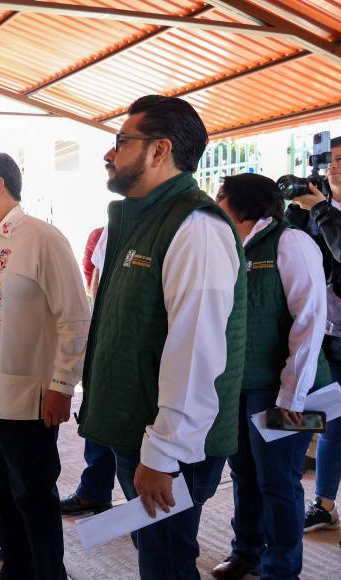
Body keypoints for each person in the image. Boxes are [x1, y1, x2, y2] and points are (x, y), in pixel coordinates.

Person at [78, 95, 247, 580]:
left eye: (121, 142)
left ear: (159, 151)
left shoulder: (195, 226)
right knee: (156, 554)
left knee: (167, 561)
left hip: (171, 445)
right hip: (139, 431)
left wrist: (164, 453)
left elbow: (196, 351)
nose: (109, 154)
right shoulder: (138, 219)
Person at [0, 152, 90, 580]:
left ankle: (50, 573)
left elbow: (75, 316)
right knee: (1, 490)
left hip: (25, 399)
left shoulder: (42, 238)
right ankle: (16, 567)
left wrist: (62, 384)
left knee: (34, 494)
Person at [210, 173, 329, 579]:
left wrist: (292, 397)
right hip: (239, 386)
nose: (213, 203)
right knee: (243, 474)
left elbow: (310, 321)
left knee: (278, 481)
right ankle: (246, 553)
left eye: (219, 196)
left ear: (241, 202)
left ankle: (281, 569)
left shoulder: (290, 242)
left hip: (286, 391)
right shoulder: (227, 246)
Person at [285, 137, 341, 535]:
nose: (335, 166)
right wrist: (296, 210)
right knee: (324, 416)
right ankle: (322, 503)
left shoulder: (323, 211)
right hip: (326, 332)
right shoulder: (312, 210)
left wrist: (320, 209)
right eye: (332, 160)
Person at [60, 225, 116, 518]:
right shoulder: (109, 228)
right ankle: (94, 492)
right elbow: (93, 279)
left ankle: (145, 511)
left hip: (139, 350)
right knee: (97, 421)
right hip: (104, 337)